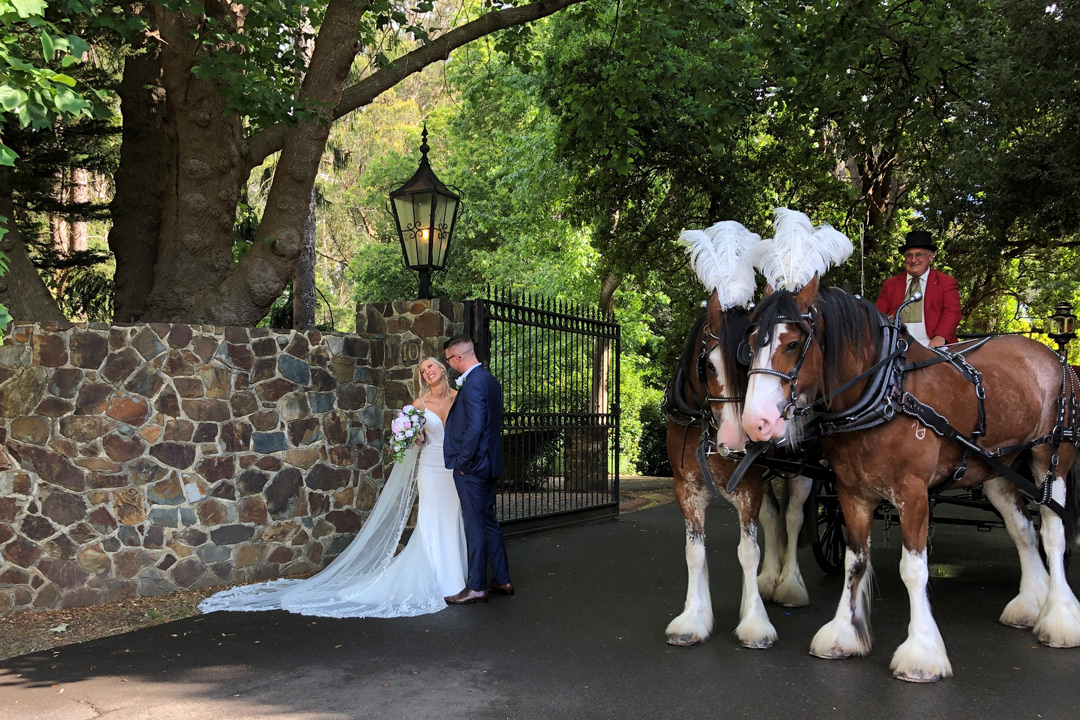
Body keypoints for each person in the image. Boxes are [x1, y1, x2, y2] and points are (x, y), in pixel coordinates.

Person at [197, 357, 467, 618]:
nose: (426, 372)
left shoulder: (459, 397)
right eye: (422, 370)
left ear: (442, 368)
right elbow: (410, 436)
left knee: (454, 516)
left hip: (455, 468)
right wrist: (415, 438)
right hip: (431, 469)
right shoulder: (419, 403)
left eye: (430, 366)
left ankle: (457, 580)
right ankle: (439, 582)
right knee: (432, 519)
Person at [442, 334, 513, 604]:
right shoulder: (489, 380)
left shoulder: (472, 385)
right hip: (490, 464)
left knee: (474, 526)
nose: (449, 365)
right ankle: (503, 580)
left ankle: (477, 586)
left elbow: (474, 428)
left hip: (473, 468)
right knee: (488, 522)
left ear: (457, 357)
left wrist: (462, 463)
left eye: (449, 360)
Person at [875, 230, 961, 347]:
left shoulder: (946, 282)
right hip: (896, 347)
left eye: (919, 255)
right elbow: (879, 315)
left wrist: (940, 337)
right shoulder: (890, 284)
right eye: (909, 255)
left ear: (930, 256)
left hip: (934, 346)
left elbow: (952, 313)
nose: (913, 260)